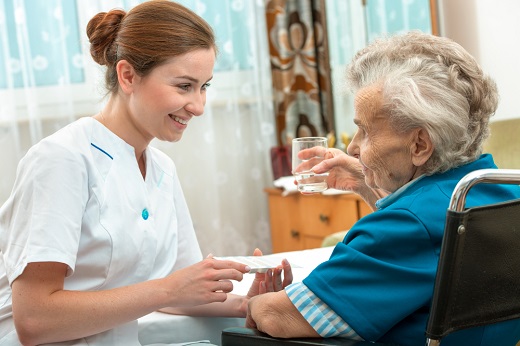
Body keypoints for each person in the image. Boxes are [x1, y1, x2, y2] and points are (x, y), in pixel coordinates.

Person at [0, 1, 292, 345]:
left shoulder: (161, 169)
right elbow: (35, 320)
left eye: (204, 87)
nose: (198, 106)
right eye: (184, 86)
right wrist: (169, 289)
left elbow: (178, 290)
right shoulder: (62, 160)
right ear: (127, 76)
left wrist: (249, 302)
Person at [245, 31, 520, 346]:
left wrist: (257, 302)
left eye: (364, 130)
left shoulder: (406, 227)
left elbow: (280, 317)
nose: (352, 148)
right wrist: (366, 183)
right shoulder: (500, 189)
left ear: (419, 144)